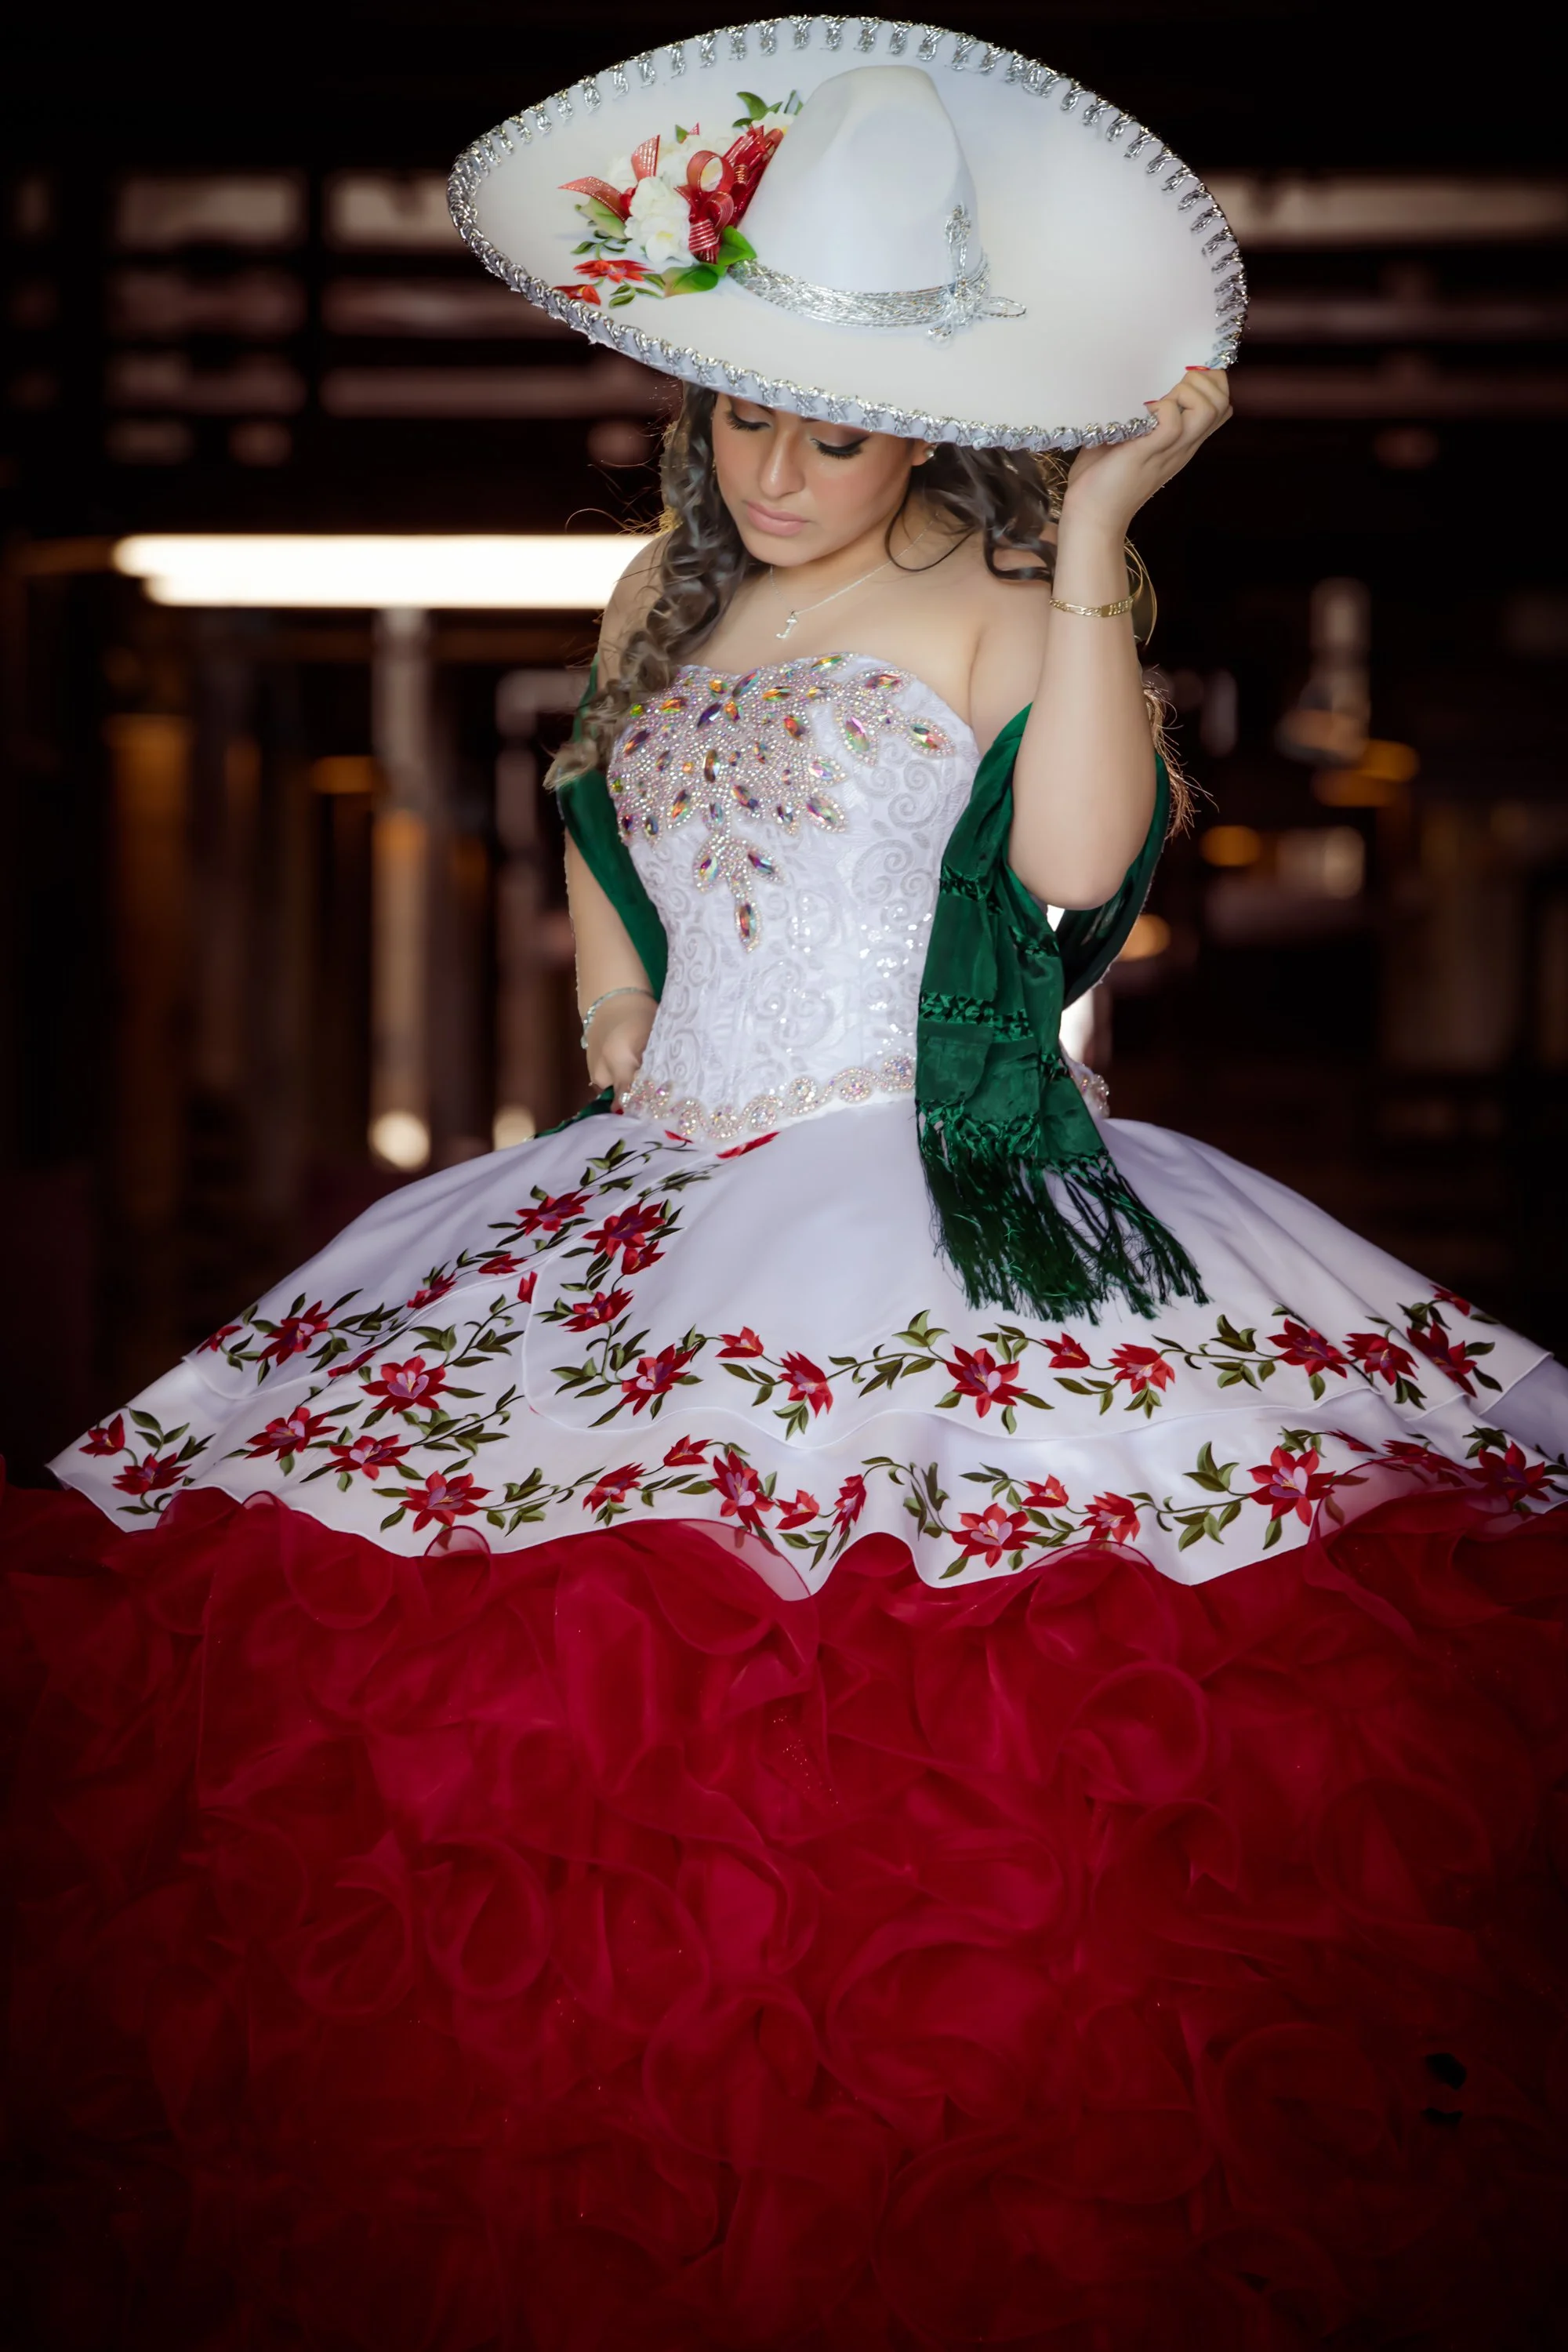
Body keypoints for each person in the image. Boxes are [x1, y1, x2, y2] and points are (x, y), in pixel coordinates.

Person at [5, 24, 1566, 2350]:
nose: (774, 463)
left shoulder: (998, 608)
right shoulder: (668, 612)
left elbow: (1060, 892)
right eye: (740, 412)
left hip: (927, 1181)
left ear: (926, 421)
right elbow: (622, 968)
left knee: (933, 1736)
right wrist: (628, 1011)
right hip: (645, 1194)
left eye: (826, 426)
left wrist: (1109, 547)